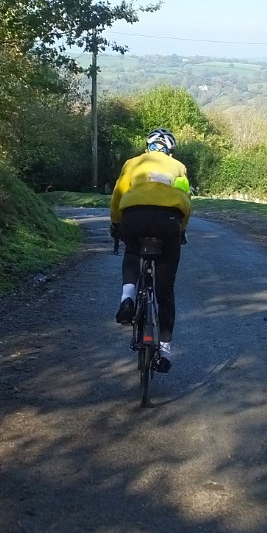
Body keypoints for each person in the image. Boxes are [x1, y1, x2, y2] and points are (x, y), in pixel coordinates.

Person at [109, 128, 191, 372]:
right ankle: (164, 351)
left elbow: (118, 196)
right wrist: (181, 229)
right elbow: (186, 201)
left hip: (134, 217)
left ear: (148, 147)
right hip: (168, 221)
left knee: (132, 252)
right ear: (170, 151)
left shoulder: (133, 163)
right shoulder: (178, 167)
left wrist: (116, 224)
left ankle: (128, 298)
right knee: (165, 290)